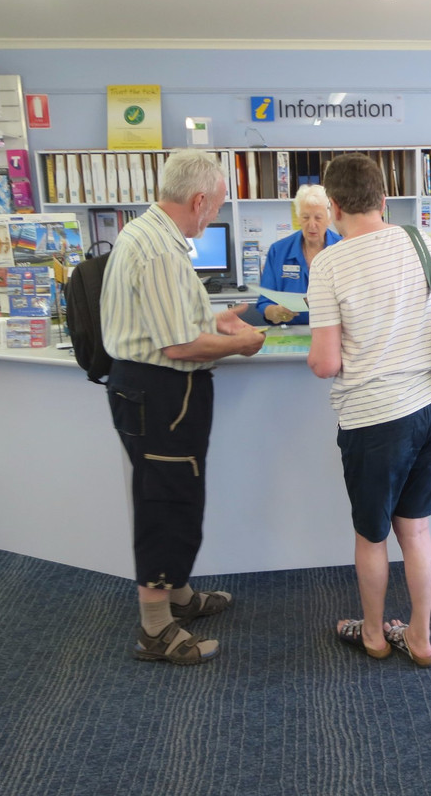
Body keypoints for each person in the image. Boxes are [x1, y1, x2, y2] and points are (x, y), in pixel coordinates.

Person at [101, 149, 266, 665]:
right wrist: (243, 342)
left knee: (175, 495)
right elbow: (177, 347)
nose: (214, 215)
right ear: (197, 200)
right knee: (166, 505)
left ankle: (178, 595)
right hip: (161, 392)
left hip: (154, 392)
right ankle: (156, 629)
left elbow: (171, 323)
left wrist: (215, 322)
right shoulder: (161, 251)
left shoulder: (149, 235)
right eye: (215, 206)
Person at [307, 152, 431, 667]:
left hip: (375, 418)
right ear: (383, 197)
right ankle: (419, 636)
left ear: (332, 206)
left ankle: (374, 635)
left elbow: (326, 363)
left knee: (372, 535)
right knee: (416, 530)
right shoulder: (422, 243)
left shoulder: (328, 262)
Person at [255, 183, 342, 325]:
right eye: (305, 217)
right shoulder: (278, 251)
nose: (311, 224)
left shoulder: (343, 250)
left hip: (333, 332)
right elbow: (264, 303)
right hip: (290, 335)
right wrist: (274, 312)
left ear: (329, 219)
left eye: (318, 218)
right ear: (298, 218)